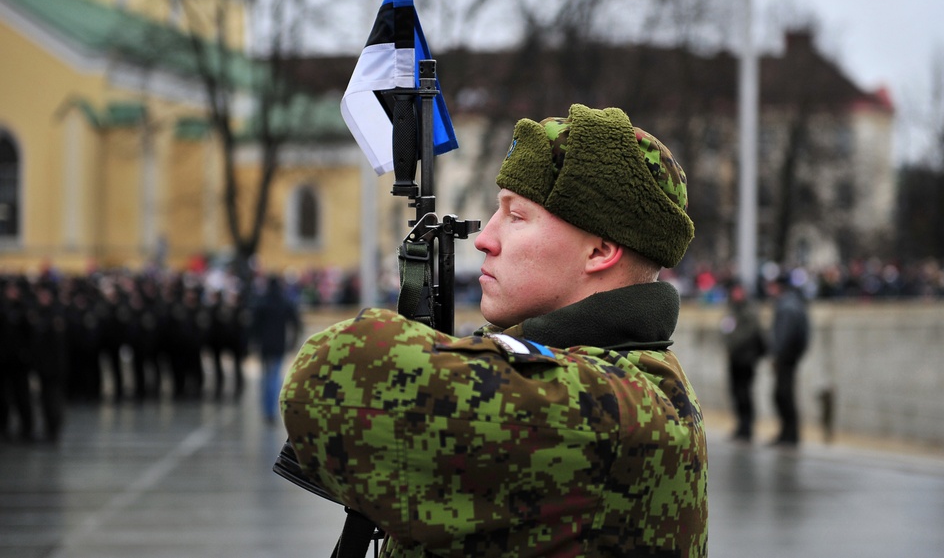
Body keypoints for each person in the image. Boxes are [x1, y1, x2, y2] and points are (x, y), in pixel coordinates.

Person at [281, 104, 708, 557]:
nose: (485, 237)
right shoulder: (596, 371)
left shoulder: (624, 404)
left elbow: (330, 375)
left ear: (600, 251)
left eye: (517, 215)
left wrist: (446, 351)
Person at [768, 273, 810, 446]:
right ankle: (788, 433)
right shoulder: (793, 303)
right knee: (784, 394)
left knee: (783, 395)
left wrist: (777, 355)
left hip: (786, 357)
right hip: (791, 356)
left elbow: (783, 336)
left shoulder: (786, 306)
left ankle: (789, 434)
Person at [252, 275, 300, 424]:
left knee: (266, 377)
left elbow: (253, 326)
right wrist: (292, 343)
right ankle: (271, 411)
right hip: (279, 345)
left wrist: (253, 343)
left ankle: (266, 409)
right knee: (275, 377)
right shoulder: (285, 302)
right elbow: (296, 323)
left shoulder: (262, 302)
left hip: (265, 346)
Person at [720, 282, 765, 442]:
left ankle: (747, 427)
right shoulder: (732, 310)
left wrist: (732, 343)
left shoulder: (749, 311)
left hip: (746, 359)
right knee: (736, 392)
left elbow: (747, 333)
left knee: (745, 392)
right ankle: (741, 425)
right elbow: (725, 330)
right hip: (735, 359)